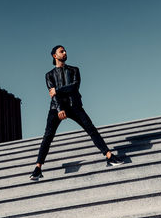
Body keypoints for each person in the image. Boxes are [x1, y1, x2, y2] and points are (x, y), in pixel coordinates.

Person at [30, 45, 124, 180]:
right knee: (48, 136)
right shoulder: (49, 75)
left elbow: (74, 86)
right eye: (61, 51)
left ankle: (109, 156)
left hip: (75, 106)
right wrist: (59, 109)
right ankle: (38, 168)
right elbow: (52, 94)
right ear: (54, 56)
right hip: (56, 108)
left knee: (91, 129)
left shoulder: (74, 70)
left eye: (65, 50)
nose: (65, 52)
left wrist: (58, 90)